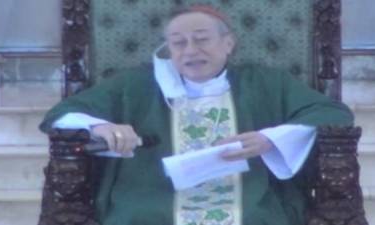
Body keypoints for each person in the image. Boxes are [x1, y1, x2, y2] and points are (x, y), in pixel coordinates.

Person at [40, 5, 353, 225]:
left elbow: (332, 114)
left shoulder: (266, 82)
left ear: (228, 43)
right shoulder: (135, 84)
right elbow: (61, 115)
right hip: (151, 194)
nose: (190, 50)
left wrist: (270, 139)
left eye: (201, 39)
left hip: (248, 194)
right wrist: (102, 126)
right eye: (178, 43)